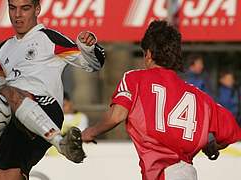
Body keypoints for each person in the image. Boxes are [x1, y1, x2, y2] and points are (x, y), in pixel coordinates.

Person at [0, 0, 105, 179]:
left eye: (25, 8)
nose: (17, 15)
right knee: (2, 176)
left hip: (46, 108)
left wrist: (88, 47)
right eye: (12, 8)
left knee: (7, 92)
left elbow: (91, 64)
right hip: (16, 117)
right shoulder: (5, 49)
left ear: (37, 9)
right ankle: (58, 142)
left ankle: (60, 142)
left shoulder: (48, 38)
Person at [82, 20, 241, 180]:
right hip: (187, 173)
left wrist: (90, 132)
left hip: (162, 174)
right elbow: (229, 132)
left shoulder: (135, 79)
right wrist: (212, 146)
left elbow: (116, 116)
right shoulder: (200, 97)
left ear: (149, 54)